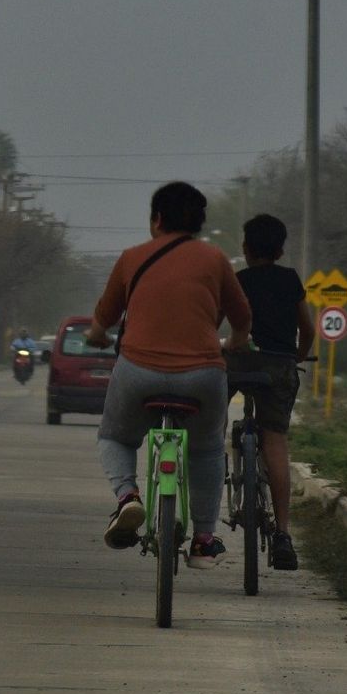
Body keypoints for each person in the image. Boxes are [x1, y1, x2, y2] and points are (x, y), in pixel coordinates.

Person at [86, 181, 252, 568]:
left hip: (138, 372)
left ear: (156, 219)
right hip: (203, 375)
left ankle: (128, 498)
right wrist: (236, 342)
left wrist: (96, 336)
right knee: (208, 447)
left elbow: (102, 320)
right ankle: (205, 539)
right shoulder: (215, 260)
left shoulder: (131, 258)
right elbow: (242, 319)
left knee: (114, 436)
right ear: (198, 222)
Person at [230, 213, 315, 571]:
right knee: (275, 441)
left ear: (245, 248)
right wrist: (295, 356)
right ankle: (283, 534)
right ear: (281, 250)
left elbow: (226, 325)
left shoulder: (238, 281)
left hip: (241, 363)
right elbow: (307, 330)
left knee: (210, 418)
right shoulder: (290, 279)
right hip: (280, 367)